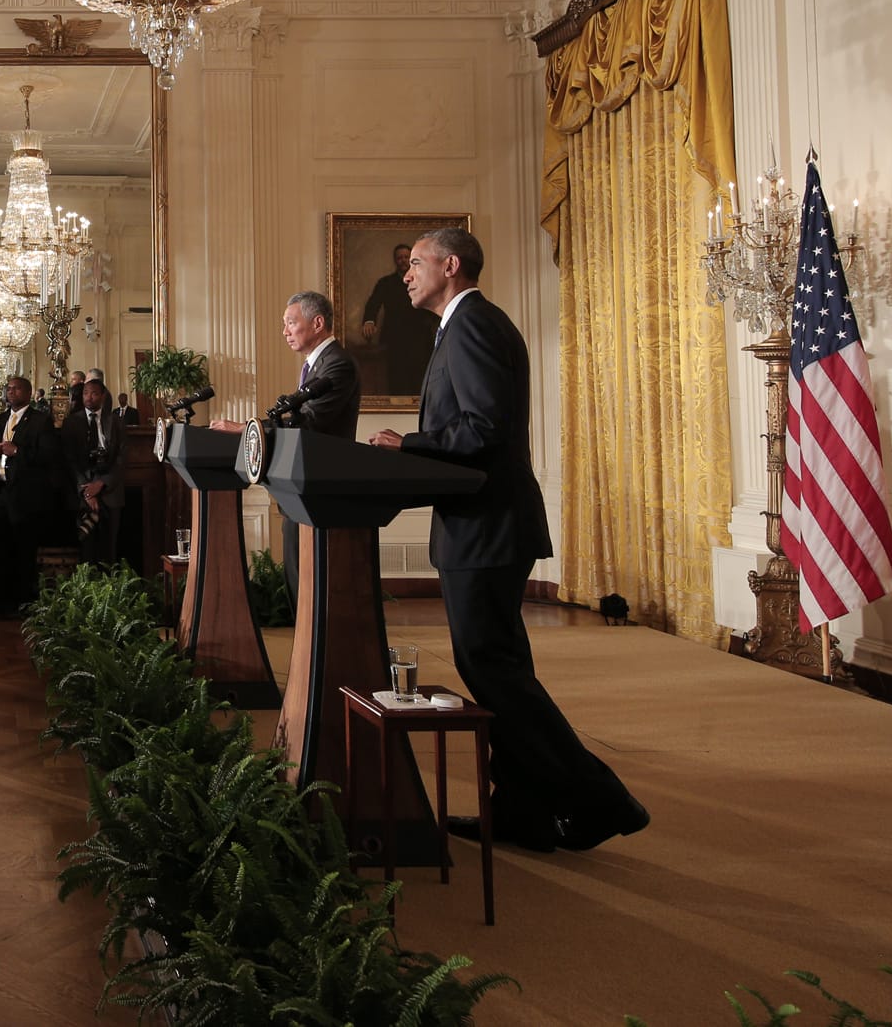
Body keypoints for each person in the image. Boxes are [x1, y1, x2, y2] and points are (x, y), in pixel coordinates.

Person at [370, 227, 647, 853]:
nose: (406, 275)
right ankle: (521, 810)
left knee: (493, 670)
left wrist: (407, 444)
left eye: (415, 264)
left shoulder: (470, 325)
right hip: (483, 524)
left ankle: (602, 799)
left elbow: (482, 428)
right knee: (498, 669)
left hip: (487, 526)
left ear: (450, 264)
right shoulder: (466, 325)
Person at [214, 290, 362, 604]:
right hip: (300, 489)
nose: (285, 332)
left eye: (290, 323)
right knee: (300, 582)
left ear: (318, 322)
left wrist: (246, 429)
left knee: (315, 589)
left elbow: (309, 422)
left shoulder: (337, 364)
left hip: (322, 486)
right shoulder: (316, 364)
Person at [0, 376, 65, 618]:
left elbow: (48, 456)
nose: (11, 392)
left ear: (28, 393)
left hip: (26, 495)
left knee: (23, 550)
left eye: (16, 388)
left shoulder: (41, 421)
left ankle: (23, 604)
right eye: (8, 388)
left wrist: (17, 451)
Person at [360, 242, 440, 394]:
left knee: (420, 382)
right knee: (397, 382)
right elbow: (373, 304)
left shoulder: (424, 281)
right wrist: (369, 321)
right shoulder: (386, 283)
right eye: (399, 258)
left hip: (420, 340)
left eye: (406, 257)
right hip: (394, 340)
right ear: (395, 260)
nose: (403, 260)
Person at [61, 378, 125, 567]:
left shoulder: (115, 422)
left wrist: (102, 483)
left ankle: (110, 591)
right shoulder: (72, 422)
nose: (89, 397)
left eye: (94, 393)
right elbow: (69, 460)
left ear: (103, 396)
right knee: (86, 548)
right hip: (83, 492)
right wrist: (87, 490)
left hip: (110, 492)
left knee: (109, 548)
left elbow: (121, 458)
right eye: (86, 393)